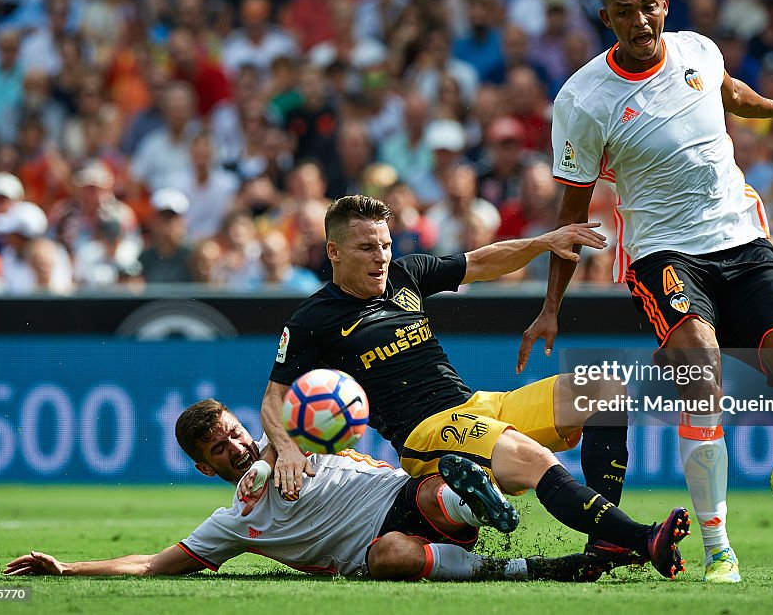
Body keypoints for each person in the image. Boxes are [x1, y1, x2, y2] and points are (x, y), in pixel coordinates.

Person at [517, 0, 773, 585]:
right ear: (606, 17)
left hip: (742, 241)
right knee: (700, 368)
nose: (640, 20)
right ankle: (718, 545)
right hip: (663, 253)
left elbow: (731, 96)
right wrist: (551, 305)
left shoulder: (698, 48)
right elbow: (573, 210)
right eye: (624, 11)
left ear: (664, 3)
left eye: (650, 5)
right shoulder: (584, 99)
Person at [260, 195, 690, 579]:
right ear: (334, 251)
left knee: (604, 391)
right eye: (367, 248)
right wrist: (288, 448)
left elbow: (482, 261)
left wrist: (544, 241)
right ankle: (641, 537)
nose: (382, 257)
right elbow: (273, 398)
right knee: (533, 458)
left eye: (386, 245)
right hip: (426, 432)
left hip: (475, 405)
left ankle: (606, 542)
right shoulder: (312, 320)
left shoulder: (406, 275)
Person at [4, 399, 612, 582]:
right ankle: (528, 565)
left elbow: (320, 412)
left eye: (235, 434)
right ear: (202, 466)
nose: (236, 448)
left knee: (434, 485)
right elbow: (151, 565)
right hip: (378, 547)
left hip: (405, 495)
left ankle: (470, 497)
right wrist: (67, 568)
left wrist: (278, 447)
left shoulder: (292, 438)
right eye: (220, 448)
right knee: (389, 558)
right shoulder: (233, 523)